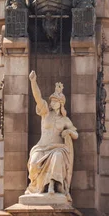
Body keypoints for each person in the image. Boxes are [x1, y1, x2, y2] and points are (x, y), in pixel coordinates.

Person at [26, 72, 78, 200]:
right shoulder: (45, 113)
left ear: (61, 104)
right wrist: (33, 82)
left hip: (57, 148)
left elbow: (75, 134)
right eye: (52, 100)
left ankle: (52, 186)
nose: (52, 103)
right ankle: (36, 187)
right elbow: (38, 98)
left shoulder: (65, 120)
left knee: (58, 156)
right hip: (41, 148)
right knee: (33, 164)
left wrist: (69, 132)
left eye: (55, 101)